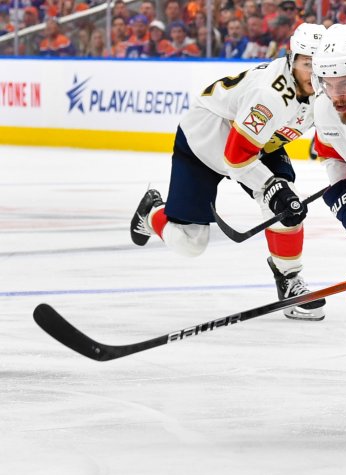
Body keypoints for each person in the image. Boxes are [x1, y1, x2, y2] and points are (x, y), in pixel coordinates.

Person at [130, 23, 328, 321]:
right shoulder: (270, 95)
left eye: (320, 66)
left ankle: (289, 280)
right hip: (205, 140)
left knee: (286, 204)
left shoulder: (329, 86)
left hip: (256, 140)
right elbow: (236, 156)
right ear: (291, 59)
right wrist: (271, 185)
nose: (313, 74)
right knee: (190, 243)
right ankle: (151, 212)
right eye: (306, 64)